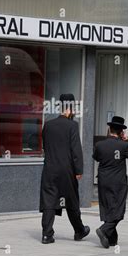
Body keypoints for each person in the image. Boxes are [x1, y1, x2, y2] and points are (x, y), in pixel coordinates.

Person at [39, 94, 90, 244]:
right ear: (70, 108)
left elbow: (45, 147)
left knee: (49, 200)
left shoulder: (48, 125)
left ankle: (47, 235)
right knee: (71, 201)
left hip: (49, 169)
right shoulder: (72, 126)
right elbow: (76, 150)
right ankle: (79, 230)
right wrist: (79, 170)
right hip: (67, 171)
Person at [93, 116, 128, 248]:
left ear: (109, 129)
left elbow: (96, 157)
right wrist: (126, 140)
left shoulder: (100, 145)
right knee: (118, 210)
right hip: (118, 182)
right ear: (121, 131)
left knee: (108, 207)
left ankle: (111, 239)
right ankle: (104, 229)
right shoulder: (124, 145)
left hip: (103, 181)